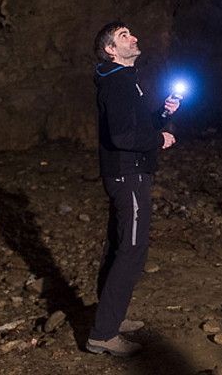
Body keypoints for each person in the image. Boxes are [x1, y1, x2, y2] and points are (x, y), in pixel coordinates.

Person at [85, 21, 180, 357]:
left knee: (119, 247)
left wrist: (160, 115)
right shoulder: (117, 83)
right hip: (128, 176)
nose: (134, 37)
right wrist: (159, 139)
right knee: (132, 251)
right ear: (111, 49)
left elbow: (133, 127)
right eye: (124, 36)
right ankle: (103, 334)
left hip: (126, 174)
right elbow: (123, 138)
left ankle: (110, 316)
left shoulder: (125, 80)